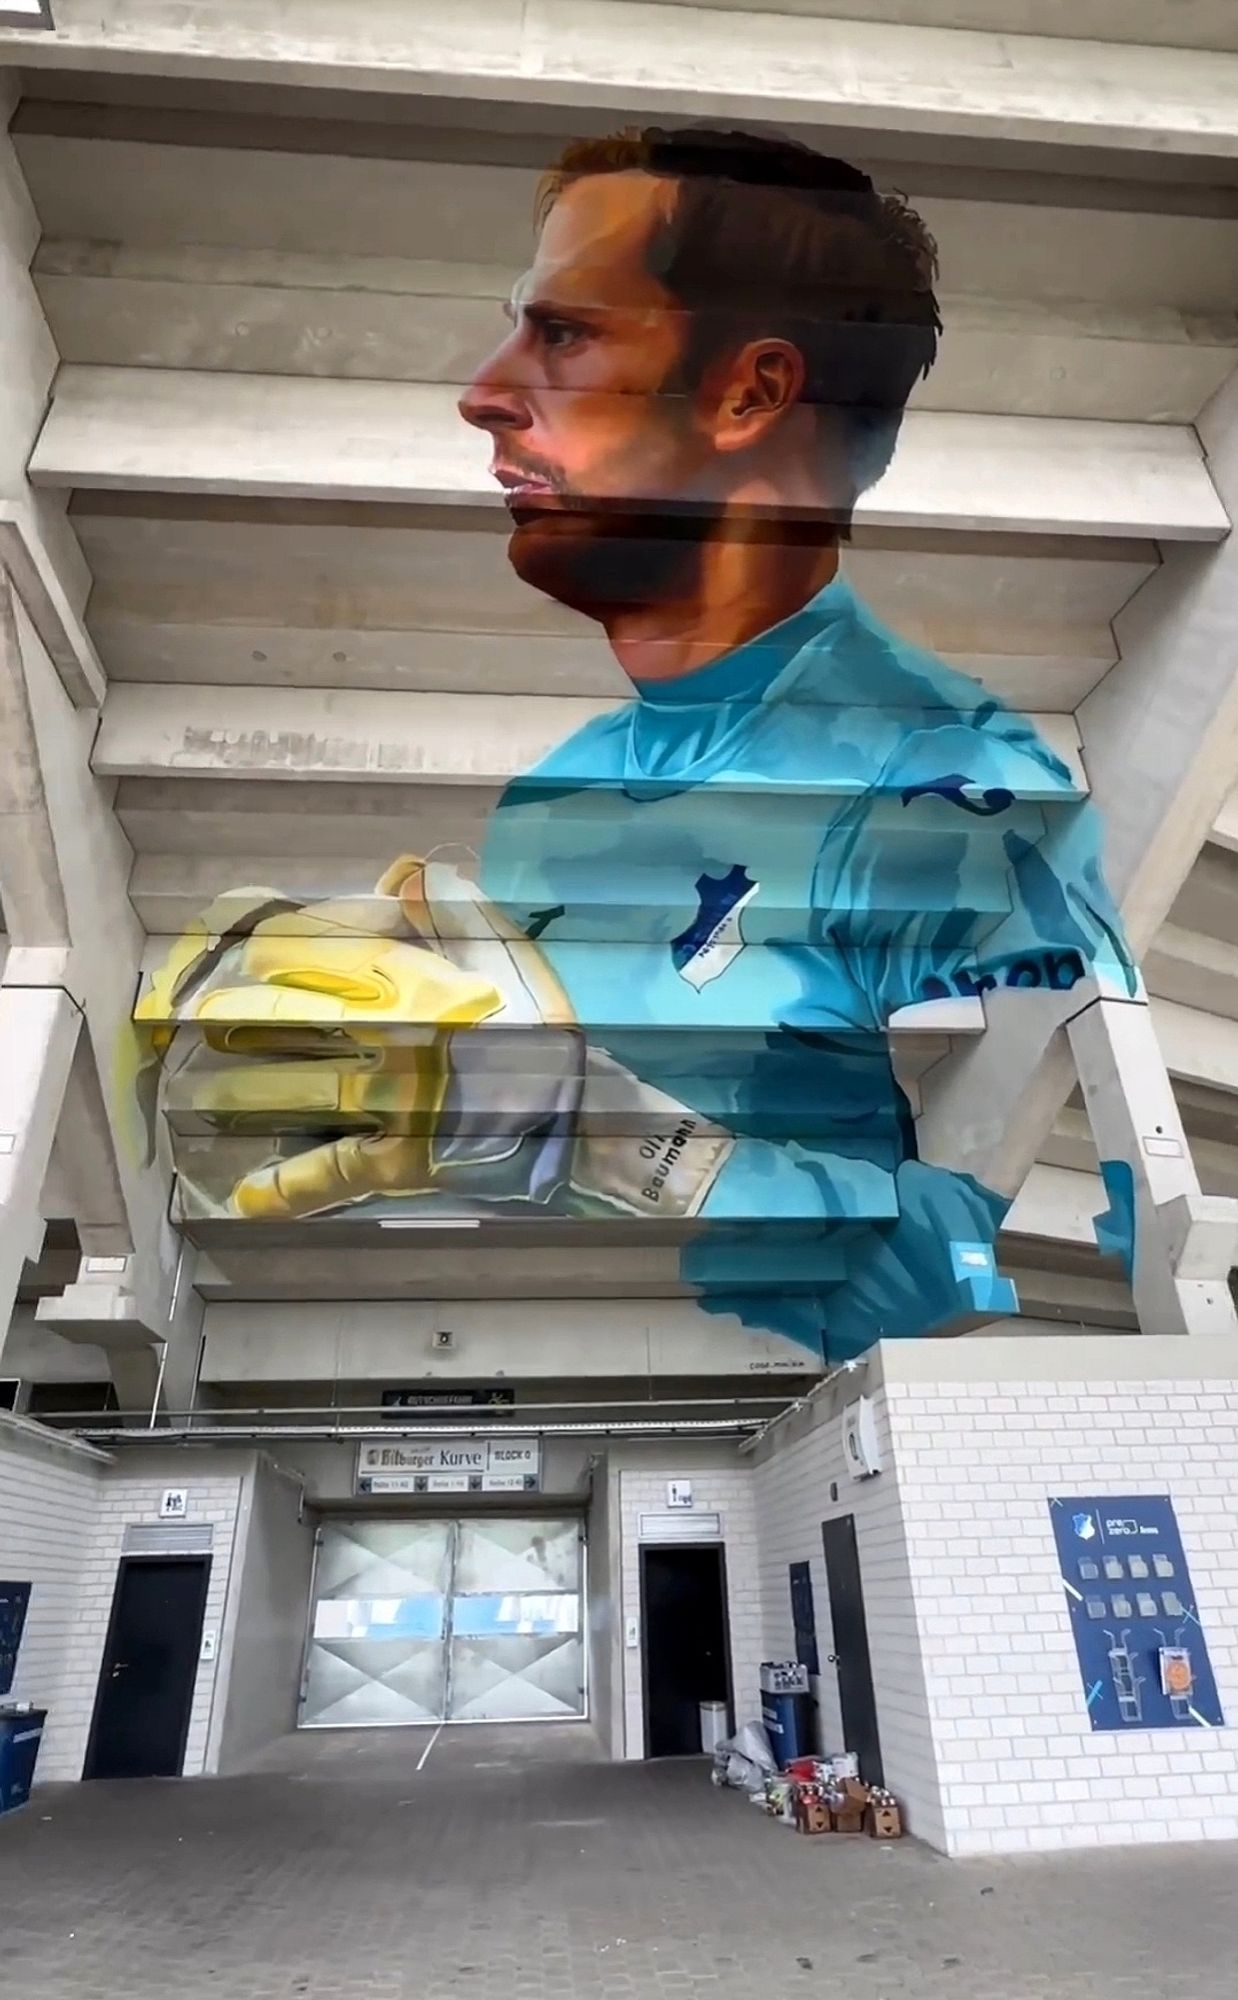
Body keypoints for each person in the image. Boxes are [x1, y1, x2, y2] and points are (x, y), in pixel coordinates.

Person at [138, 126, 1133, 1361]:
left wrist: (621, 1137)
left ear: (748, 392)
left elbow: (1036, 1271)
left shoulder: (957, 801)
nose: (484, 391)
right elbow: (498, 1130)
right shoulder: (555, 800)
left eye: (563, 334)